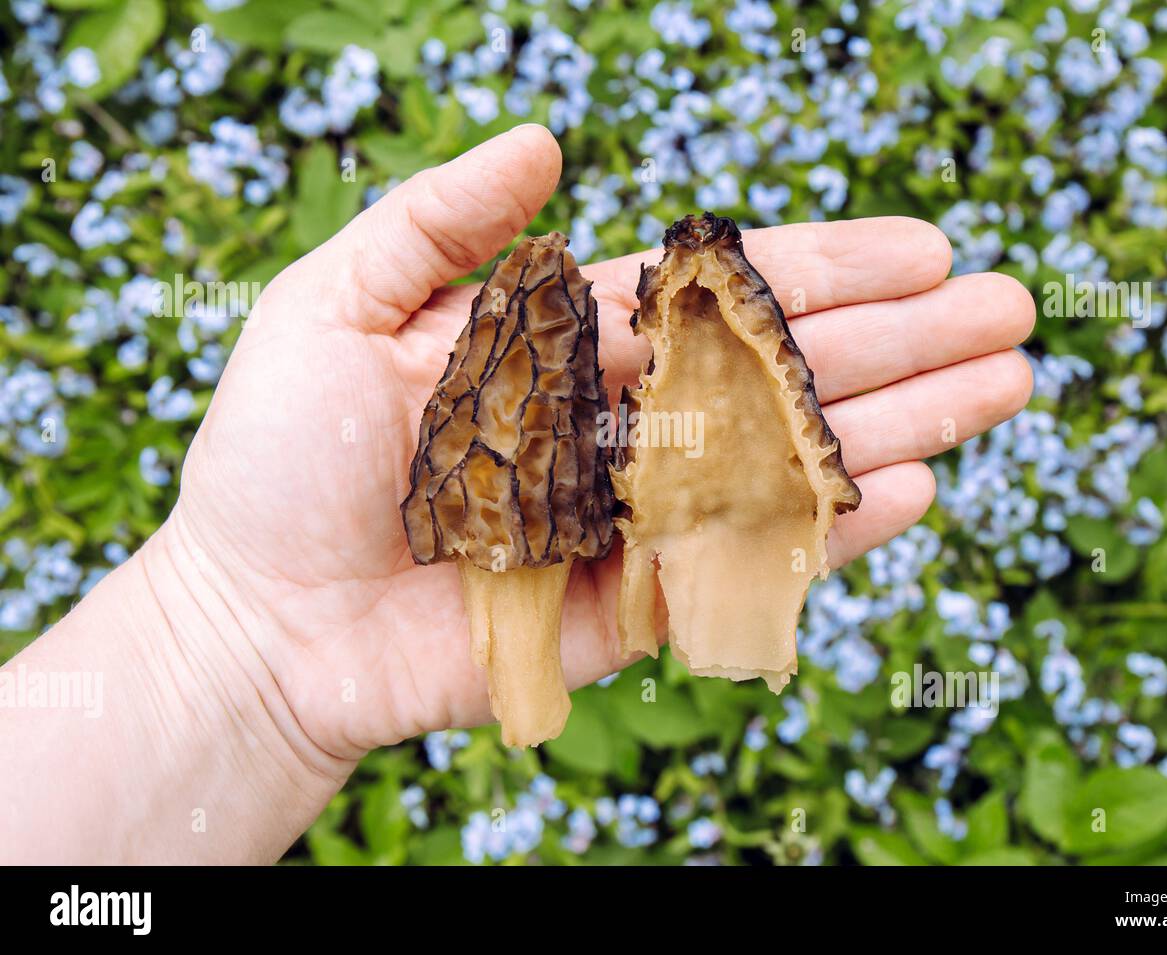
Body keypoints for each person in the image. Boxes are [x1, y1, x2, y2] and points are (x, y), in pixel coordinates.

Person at [0, 125, 1035, 863]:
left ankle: (734, 602)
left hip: (570, 525)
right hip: (515, 533)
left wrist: (230, 654)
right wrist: (231, 634)